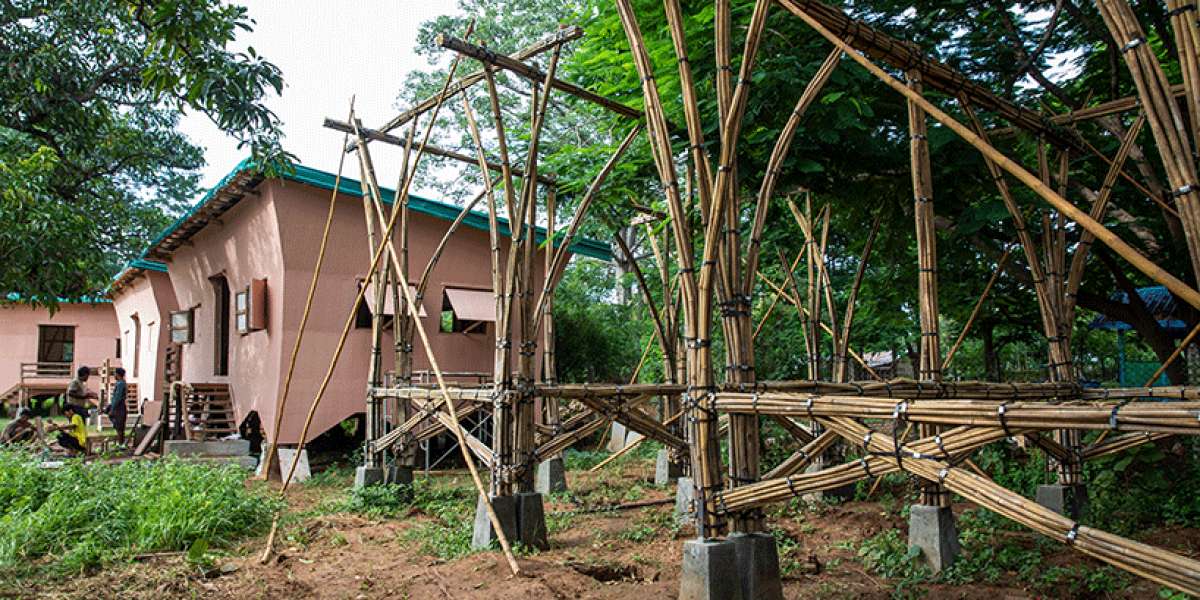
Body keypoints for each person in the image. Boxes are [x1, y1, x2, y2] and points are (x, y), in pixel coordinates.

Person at [106, 367, 128, 446]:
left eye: (115, 373)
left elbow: (117, 397)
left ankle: (121, 444)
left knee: (119, 427)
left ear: (118, 374)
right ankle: (121, 443)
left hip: (119, 407)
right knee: (119, 427)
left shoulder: (120, 384)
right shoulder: (121, 383)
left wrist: (113, 408)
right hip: (119, 406)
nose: (114, 375)